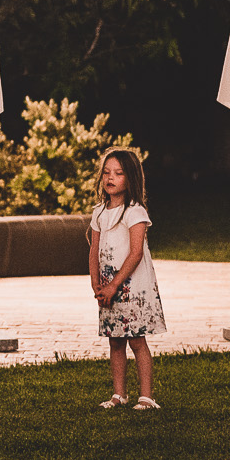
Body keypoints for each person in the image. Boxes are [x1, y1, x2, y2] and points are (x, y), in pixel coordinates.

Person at [88, 147, 165, 410]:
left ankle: (146, 396)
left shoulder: (135, 212)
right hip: (108, 287)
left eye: (118, 173)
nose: (111, 178)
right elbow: (93, 250)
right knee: (116, 340)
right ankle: (119, 394)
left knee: (136, 339)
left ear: (130, 178)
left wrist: (113, 285)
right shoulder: (99, 212)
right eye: (107, 173)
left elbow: (135, 253)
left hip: (131, 288)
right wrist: (96, 283)